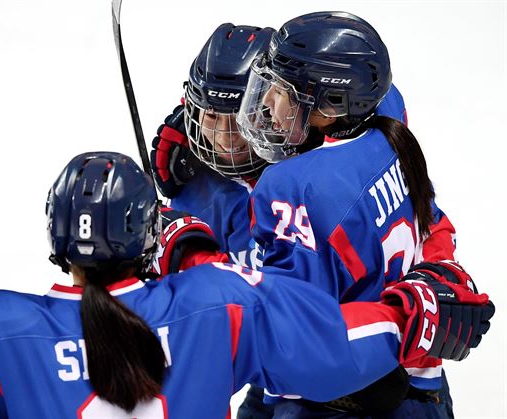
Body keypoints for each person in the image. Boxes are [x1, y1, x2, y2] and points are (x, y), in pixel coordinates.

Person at [0, 152, 492, 418]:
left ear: (57, 244)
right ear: (147, 236)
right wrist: (411, 315)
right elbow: (327, 351)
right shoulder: (215, 303)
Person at [151, 20, 458, 418]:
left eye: (240, 115)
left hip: (347, 376)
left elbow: (278, 327)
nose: (226, 139)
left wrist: (184, 252)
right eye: (210, 117)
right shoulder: (373, 119)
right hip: (323, 363)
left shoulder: (299, 189)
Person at [235, 11, 472, 418]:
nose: (269, 104)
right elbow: (431, 218)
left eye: (283, 91)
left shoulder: (293, 189)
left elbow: (293, 345)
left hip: (337, 397)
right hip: (422, 382)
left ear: (332, 103)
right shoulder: (387, 114)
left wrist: (191, 253)